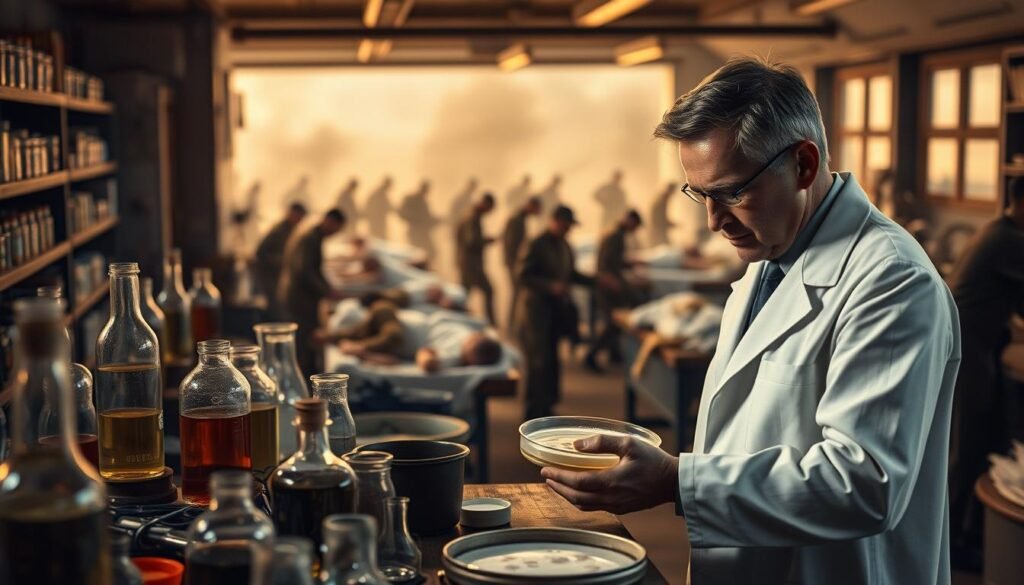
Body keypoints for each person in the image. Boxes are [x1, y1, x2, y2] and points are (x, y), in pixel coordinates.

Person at [541, 57, 960, 585]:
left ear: (804, 165)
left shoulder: (893, 282)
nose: (714, 221)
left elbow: (865, 484)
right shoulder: (769, 260)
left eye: (732, 192)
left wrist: (677, 481)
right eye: (701, 194)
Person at [947, 176, 1024, 566]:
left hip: (972, 346)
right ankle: (955, 545)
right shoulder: (1009, 241)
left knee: (975, 439)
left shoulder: (999, 229)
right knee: (967, 442)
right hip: (967, 348)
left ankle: (967, 534)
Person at [515, 205, 594, 420]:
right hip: (535, 314)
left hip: (555, 313)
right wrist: (550, 286)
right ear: (554, 221)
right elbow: (523, 275)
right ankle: (532, 412)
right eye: (565, 225)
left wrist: (595, 281)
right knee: (538, 362)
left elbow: (571, 274)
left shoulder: (564, 246)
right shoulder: (536, 243)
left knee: (551, 361)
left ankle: (547, 407)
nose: (568, 229)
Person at [279, 208, 347, 374]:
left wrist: (327, 287)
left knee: (305, 338)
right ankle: (305, 378)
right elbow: (305, 271)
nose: (334, 233)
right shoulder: (310, 238)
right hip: (299, 298)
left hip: (300, 296)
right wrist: (326, 291)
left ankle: (307, 374)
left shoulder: (314, 236)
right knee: (303, 340)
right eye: (336, 229)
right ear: (330, 222)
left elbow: (314, 269)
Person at [584, 209, 646, 373]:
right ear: (630, 221)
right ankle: (591, 356)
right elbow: (607, 263)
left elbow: (613, 261)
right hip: (607, 285)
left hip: (607, 282)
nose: (634, 231)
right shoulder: (616, 236)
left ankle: (614, 353)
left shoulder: (614, 233)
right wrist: (615, 280)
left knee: (616, 320)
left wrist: (630, 264)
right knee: (614, 321)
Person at [456, 192, 497, 325]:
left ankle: (461, 320)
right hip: (470, 265)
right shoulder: (472, 218)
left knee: (464, 294)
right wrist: (487, 240)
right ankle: (490, 323)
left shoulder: (472, 216)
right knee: (483, 291)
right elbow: (471, 241)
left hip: (468, 263)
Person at [255, 202, 307, 305]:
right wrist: (281, 260)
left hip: (278, 273)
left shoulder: (291, 229)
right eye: (298, 217)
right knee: (275, 304)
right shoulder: (279, 230)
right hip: (270, 273)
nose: (299, 220)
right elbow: (261, 252)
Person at [502, 196, 543, 329]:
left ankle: (514, 325)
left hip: (515, 263)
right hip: (514, 263)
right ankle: (513, 326)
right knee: (517, 294)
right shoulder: (517, 220)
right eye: (537, 209)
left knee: (518, 294)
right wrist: (515, 264)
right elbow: (512, 245)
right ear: (531, 206)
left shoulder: (520, 219)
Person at [397, 180, 440, 260]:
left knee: (428, 253)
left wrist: (437, 221)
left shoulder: (422, 201)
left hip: (420, 232)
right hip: (416, 232)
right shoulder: (413, 200)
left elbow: (427, 219)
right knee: (421, 253)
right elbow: (402, 213)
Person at [648, 182, 677, 247]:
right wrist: (670, 224)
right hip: (658, 230)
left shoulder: (661, 199)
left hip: (658, 229)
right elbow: (660, 218)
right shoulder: (661, 200)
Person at [365, 176, 393, 240]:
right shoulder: (379, 194)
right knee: (378, 237)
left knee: (378, 237)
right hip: (377, 221)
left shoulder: (379, 193)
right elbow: (386, 206)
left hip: (377, 220)